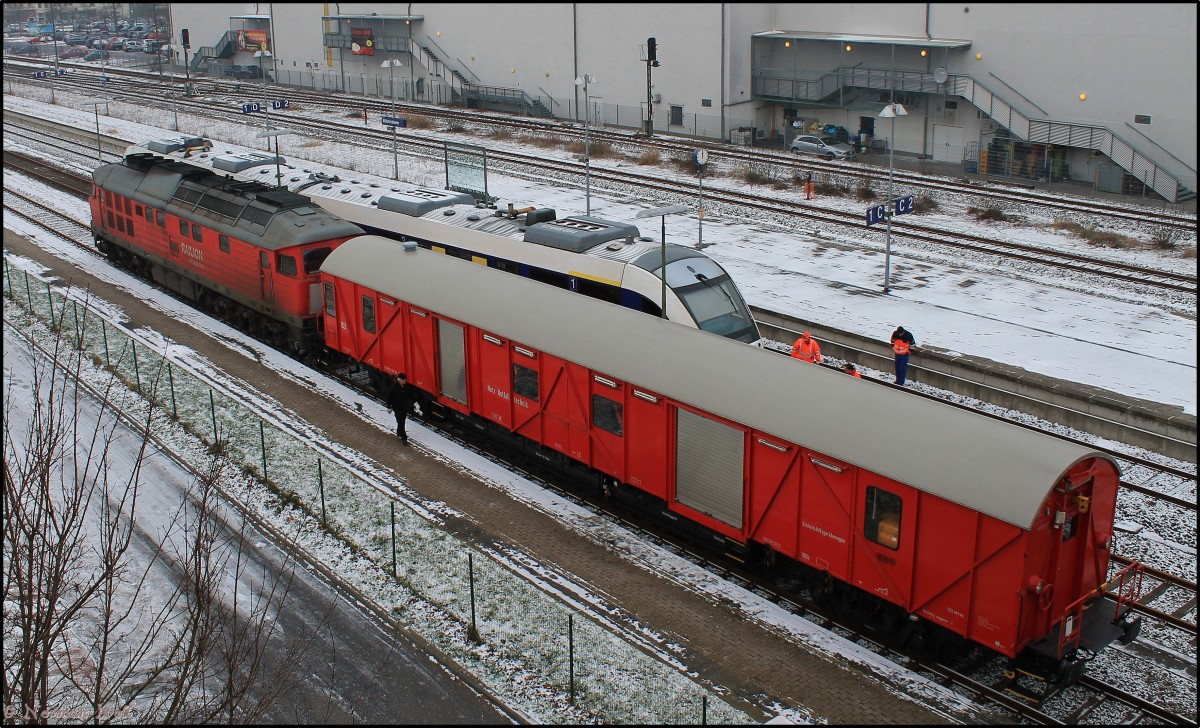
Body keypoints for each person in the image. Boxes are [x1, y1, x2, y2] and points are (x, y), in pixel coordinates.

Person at [385, 372, 419, 444]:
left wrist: (415, 403)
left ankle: (399, 432)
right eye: (403, 379)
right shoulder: (394, 387)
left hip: (404, 407)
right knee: (400, 421)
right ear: (399, 379)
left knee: (402, 421)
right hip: (397, 407)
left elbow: (411, 395)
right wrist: (389, 407)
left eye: (405, 379)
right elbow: (389, 397)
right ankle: (404, 438)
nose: (405, 381)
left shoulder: (406, 386)